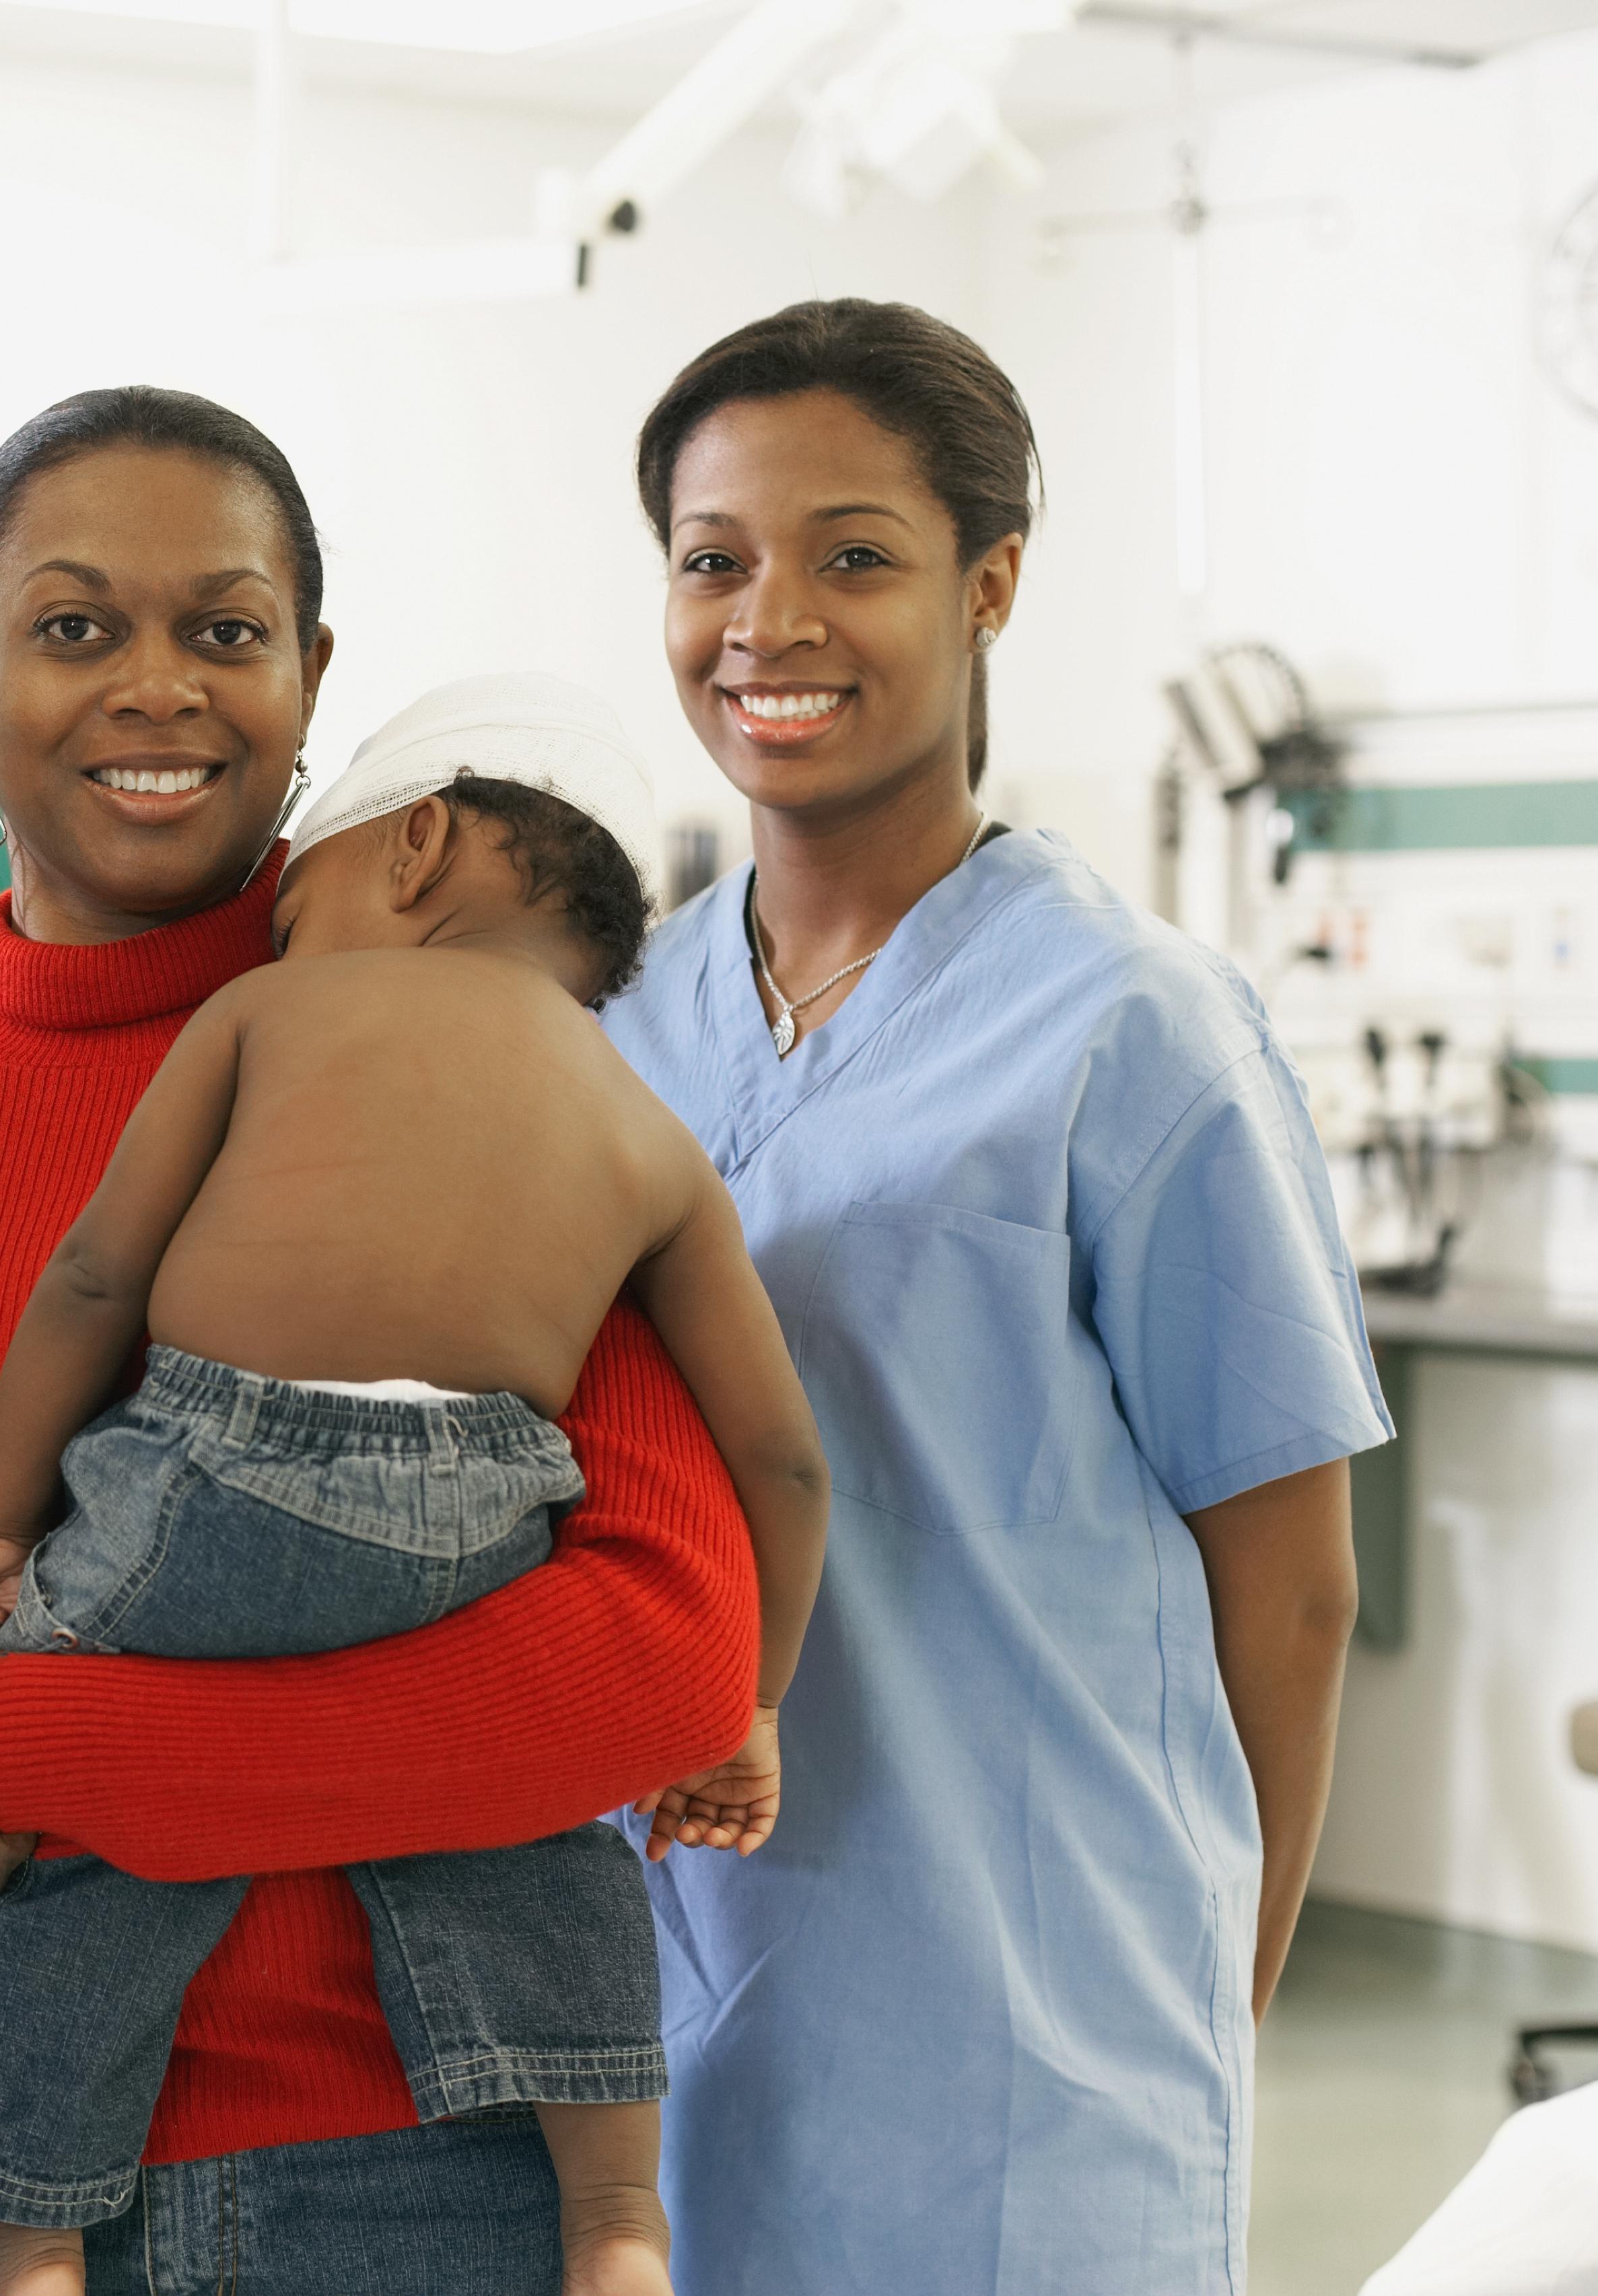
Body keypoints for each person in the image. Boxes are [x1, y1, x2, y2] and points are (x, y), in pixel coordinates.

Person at [0, 387, 761, 2295]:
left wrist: (46, 1737)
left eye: (226, 630)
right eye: (74, 626)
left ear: (309, 675)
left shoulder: (466, 1085)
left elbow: (663, 1662)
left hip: (398, 2176)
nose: (153, 687)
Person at [598, 299, 1389, 2295]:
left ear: (987, 586)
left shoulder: (1133, 1027)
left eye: (850, 554)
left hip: (1033, 2039)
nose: (766, 619)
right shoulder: (616, 1017)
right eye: (712, 561)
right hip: (663, 2017)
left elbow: (1289, 1587)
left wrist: (1207, 1989)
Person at [0, 672, 834, 2296]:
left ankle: (32, 2228)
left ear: (415, 850)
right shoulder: (645, 1127)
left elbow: (98, 1278)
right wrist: (752, 1701)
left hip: (216, 1468)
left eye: (293, 904)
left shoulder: (267, 1011)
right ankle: (615, 2215)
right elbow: (781, 1454)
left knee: (70, 1811)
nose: (275, 937)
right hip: (476, 1511)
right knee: (531, 1816)